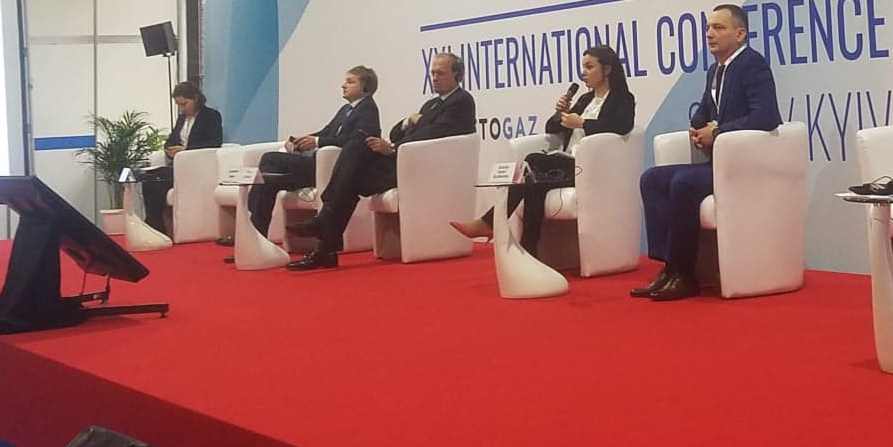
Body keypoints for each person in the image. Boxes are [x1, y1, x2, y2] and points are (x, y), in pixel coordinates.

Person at [634, 4, 780, 301]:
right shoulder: (715, 70)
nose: (710, 34)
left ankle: (686, 275)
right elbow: (704, 110)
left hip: (742, 164)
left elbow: (766, 116)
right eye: (708, 28)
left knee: (684, 183)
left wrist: (719, 131)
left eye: (719, 28)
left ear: (740, 34)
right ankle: (669, 267)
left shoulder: (752, 64)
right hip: (718, 162)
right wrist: (698, 126)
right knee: (652, 179)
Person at [284, 53, 475, 270]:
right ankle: (325, 247)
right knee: (354, 157)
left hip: (423, 168)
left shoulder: (461, 101)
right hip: (403, 162)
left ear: (457, 75)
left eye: (441, 73)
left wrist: (392, 148)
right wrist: (407, 122)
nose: (435, 78)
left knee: (353, 161)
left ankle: (325, 230)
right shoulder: (430, 105)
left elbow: (436, 133)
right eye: (432, 73)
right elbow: (396, 132)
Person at [450, 44, 636, 256]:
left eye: (589, 67)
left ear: (607, 69)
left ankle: (489, 222)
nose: (583, 72)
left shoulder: (622, 99)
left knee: (533, 160)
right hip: (568, 164)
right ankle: (529, 251)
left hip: (591, 167)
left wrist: (583, 123)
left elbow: (621, 126)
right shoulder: (585, 100)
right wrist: (560, 113)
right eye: (583, 66)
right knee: (534, 185)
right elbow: (552, 129)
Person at [245, 67, 381, 239]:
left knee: (269, 158)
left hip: (334, 169)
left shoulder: (368, 109)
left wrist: (316, 142)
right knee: (268, 181)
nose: (343, 85)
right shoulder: (345, 110)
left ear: (365, 88)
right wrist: (302, 140)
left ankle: (251, 211)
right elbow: (326, 132)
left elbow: (356, 141)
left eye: (350, 82)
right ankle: (256, 237)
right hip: (317, 163)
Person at [139, 79, 222, 234]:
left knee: (159, 180)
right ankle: (153, 222)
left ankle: (154, 224)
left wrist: (186, 150)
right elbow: (171, 140)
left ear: (196, 98)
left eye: (185, 104)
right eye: (179, 105)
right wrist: (169, 149)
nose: (182, 108)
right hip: (178, 165)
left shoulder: (211, 116)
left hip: (198, 166)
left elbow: (214, 142)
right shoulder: (182, 118)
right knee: (149, 178)